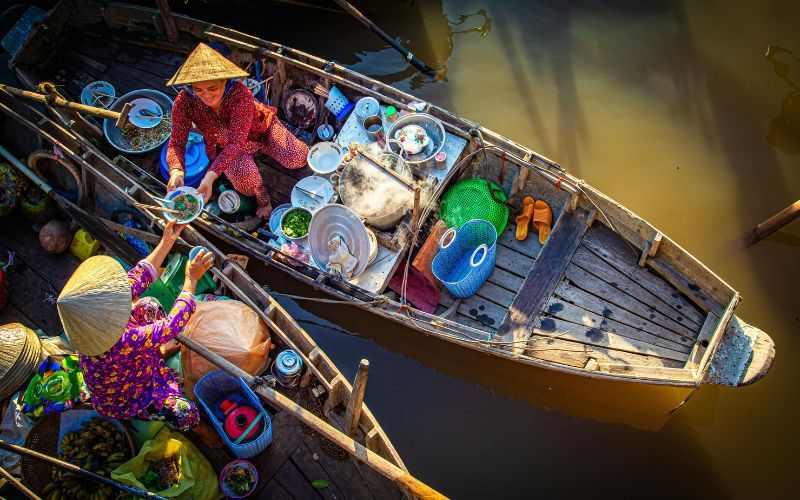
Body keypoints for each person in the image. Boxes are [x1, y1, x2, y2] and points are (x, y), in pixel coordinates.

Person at [56, 221, 214, 431]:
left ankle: (157, 352)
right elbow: (172, 325)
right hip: (132, 395)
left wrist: (168, 240)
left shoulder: (100, 309)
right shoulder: (121, 341)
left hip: (133, 364)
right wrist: (191, 279)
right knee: (185, 414)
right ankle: (199, 430)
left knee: (148, 306)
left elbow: (141, 274)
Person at [165, 43, 308, 218]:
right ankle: (263, 200)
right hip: (225, 145)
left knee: (298, 158)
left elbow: (236, 142)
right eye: (198, 89)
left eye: (212, 88)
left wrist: (209, 177)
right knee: (246, 183)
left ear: (224, 81)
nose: (206, 95)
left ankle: (270, 148)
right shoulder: (184, 101)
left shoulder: (240, 94)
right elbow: (176, 143)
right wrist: (176, 171)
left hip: (260, 131)